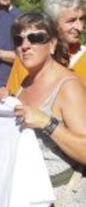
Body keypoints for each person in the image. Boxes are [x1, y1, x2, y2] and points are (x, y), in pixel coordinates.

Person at [11, 12, 86, 206]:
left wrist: (46, 122)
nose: (25, 46)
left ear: (52, 44)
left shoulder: (68, 86)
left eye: (35, 38)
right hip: (29, 196)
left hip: (63, 197)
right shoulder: (26, 82)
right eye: (18, 40)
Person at [7, 0, 86, 95]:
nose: (80, 27)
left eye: (81, 19)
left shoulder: (83, 58)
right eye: (71, 21)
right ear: (53, 24)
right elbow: (12, 100)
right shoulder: (28, 55)